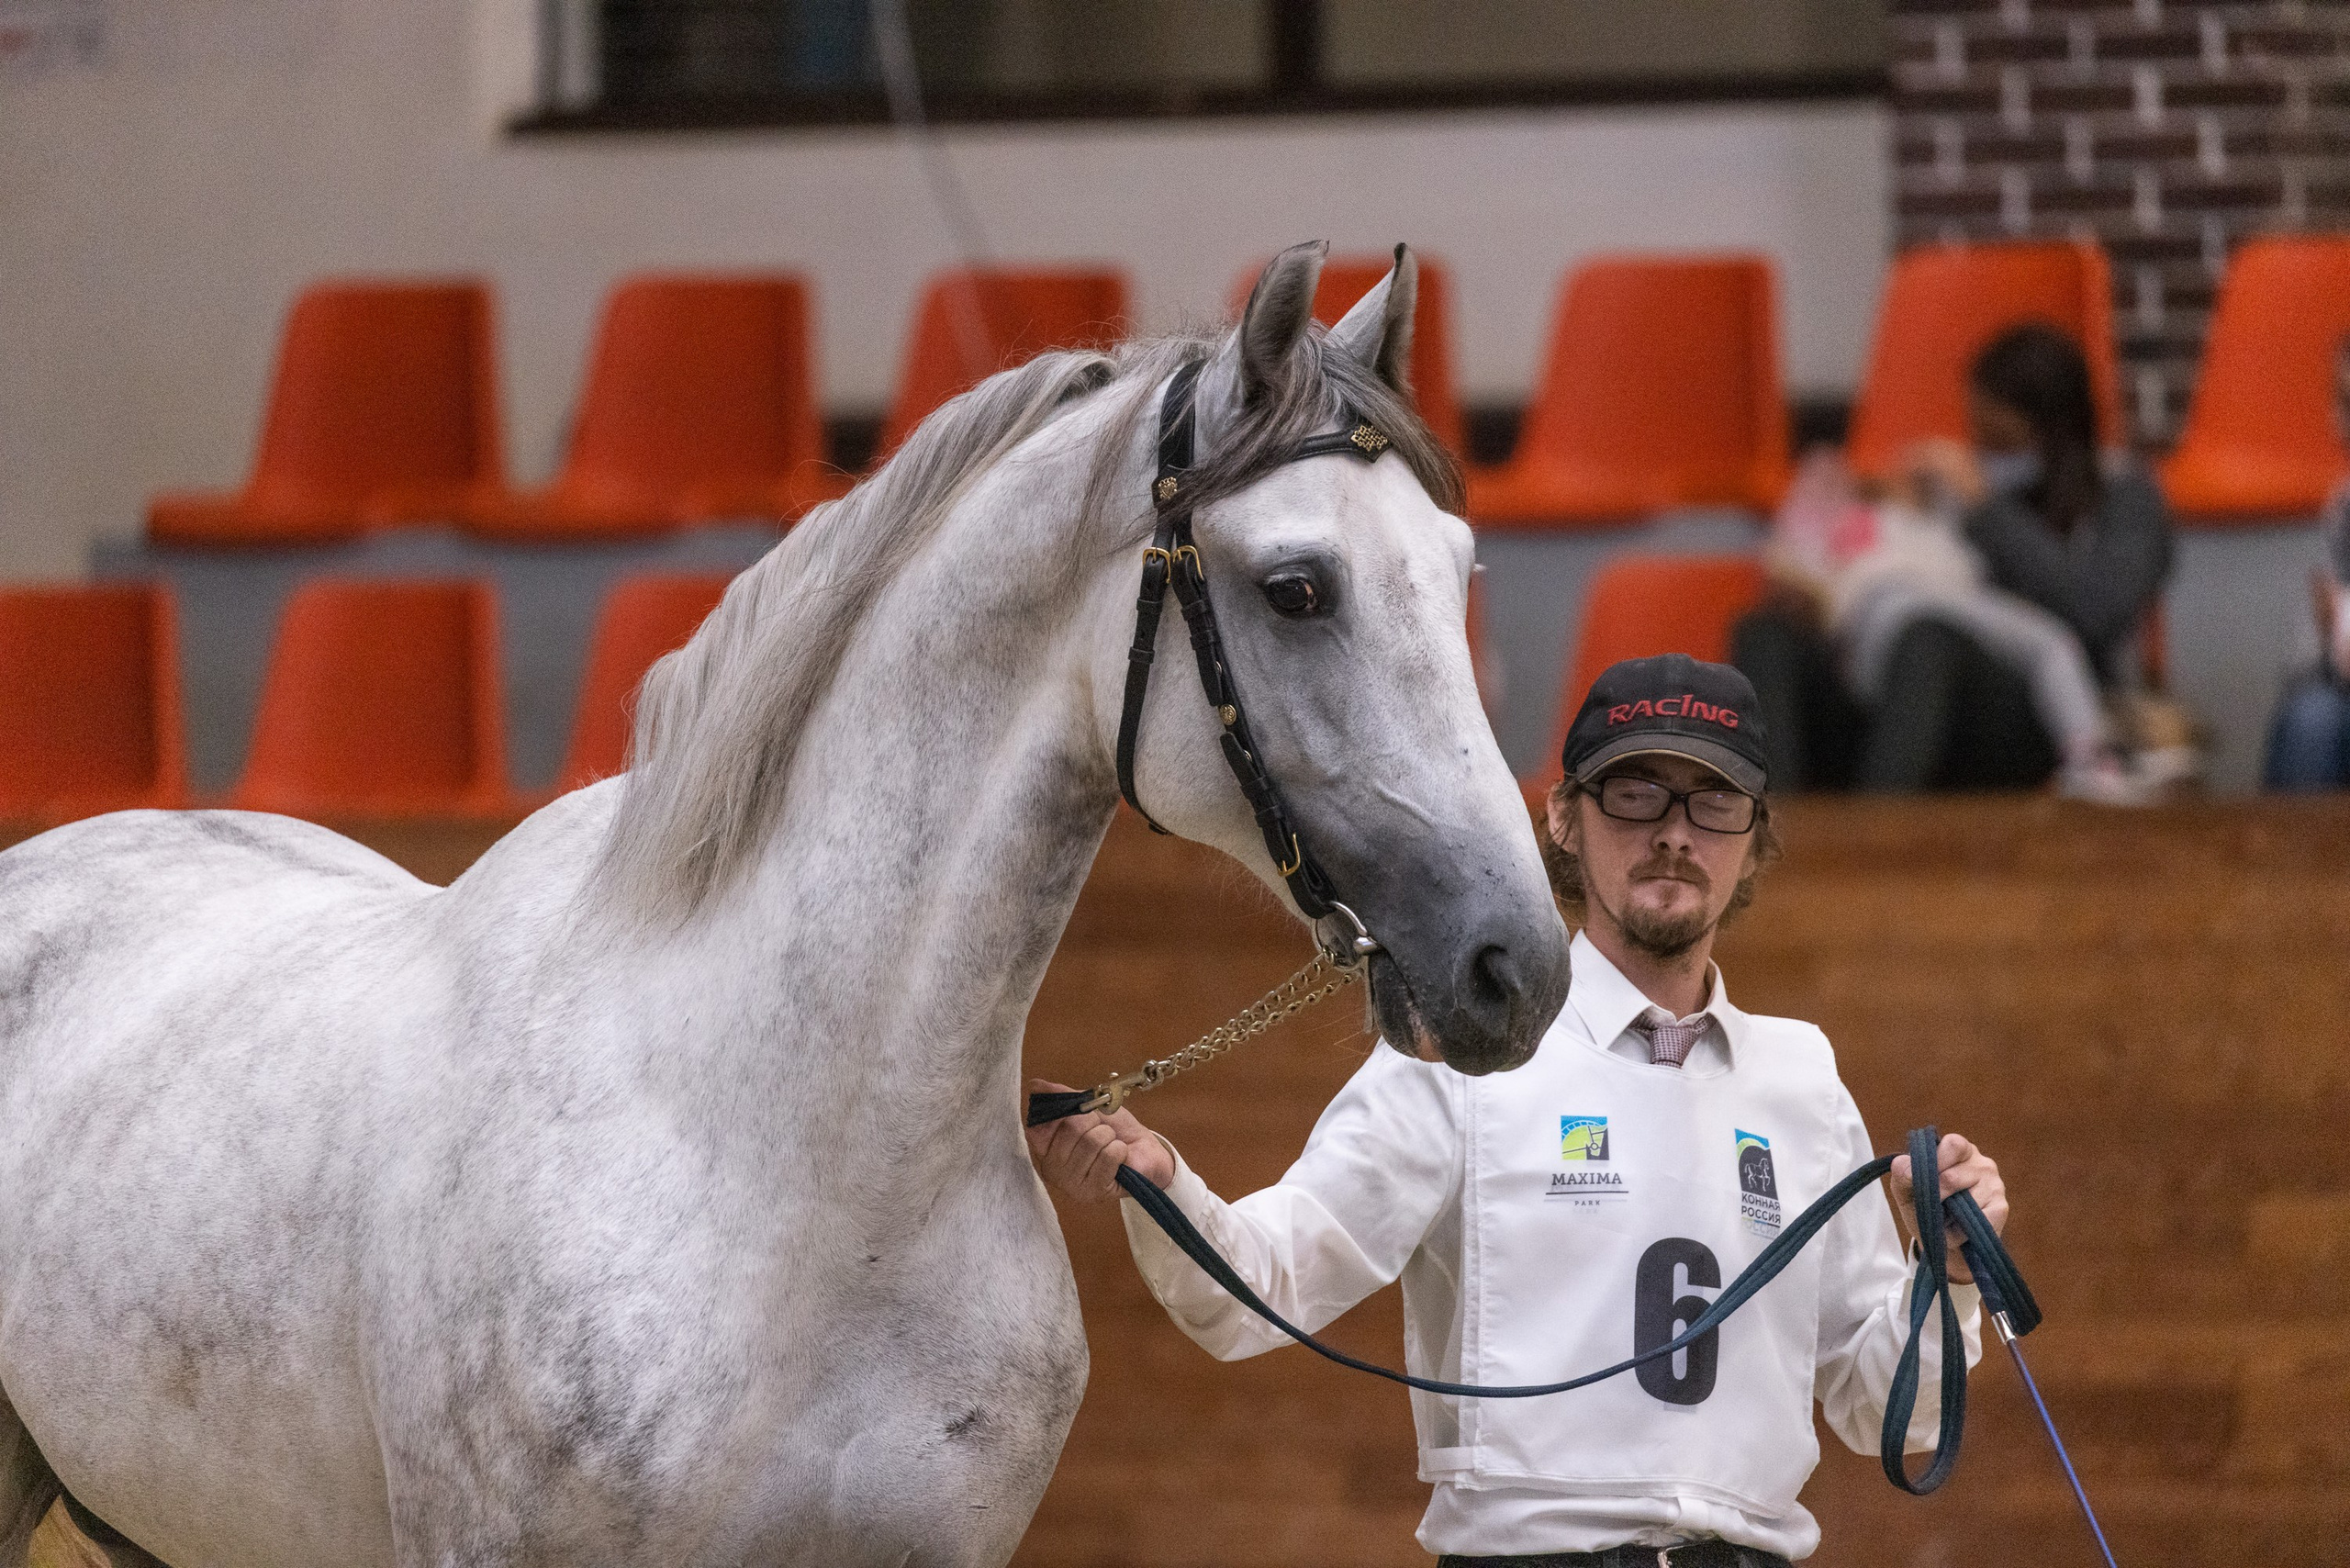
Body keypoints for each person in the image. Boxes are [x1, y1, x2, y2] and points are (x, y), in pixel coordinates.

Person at [1029, 655, 2009, 1568]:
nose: (1675, 833)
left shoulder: (1804, 1078)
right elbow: (1263, 1286)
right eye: (1635, 793)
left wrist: (1951, 1275)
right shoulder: (1465, 1049)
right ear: (1563, 818)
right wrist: (1162, 1188)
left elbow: (1890, 1411)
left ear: (1753, 842)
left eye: (1714, 802)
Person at [1734, 324, 2175, 795]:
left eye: (2002, 441)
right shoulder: (1942, 492)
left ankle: (1879, 827)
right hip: (1887, 687)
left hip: (2026, 707)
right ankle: (1772, 819)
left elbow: (2097, 613)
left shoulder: (2122, 495)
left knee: (1928, 638)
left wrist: (1986, 509)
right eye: (1979, 436)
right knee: (1766, 633)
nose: (1987, 454)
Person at [2262, 334, 2350, 790]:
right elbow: (2307, 656)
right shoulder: (2344, 509)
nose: (2338, 426)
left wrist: (2341, 623)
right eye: (2341, 403)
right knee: (2309, 720)